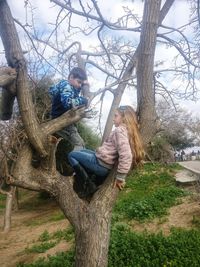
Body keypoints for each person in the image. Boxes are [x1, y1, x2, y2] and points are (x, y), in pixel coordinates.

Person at [68, 105, 144, 198]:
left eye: (116, 116)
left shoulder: (119, 131)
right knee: (83, 150)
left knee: (71, 155)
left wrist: (120, 177)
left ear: (124, 118)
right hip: (101, 159)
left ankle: (89, 184)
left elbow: (126, 155)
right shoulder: (127, 130)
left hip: (101, 164)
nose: (113, 119)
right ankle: (89, 175)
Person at [49, 67, 89, 151]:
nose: (79, 85)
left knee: (80, 143)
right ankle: (76, 161)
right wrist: (83, 100)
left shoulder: (71, 87)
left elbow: (73, 94)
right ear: (71, 77)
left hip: (62, 117)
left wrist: (84, 86)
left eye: (81, 84)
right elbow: (68, 103)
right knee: (79, 144)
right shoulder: (66, 85)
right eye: (78, 82)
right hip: (60, 119)